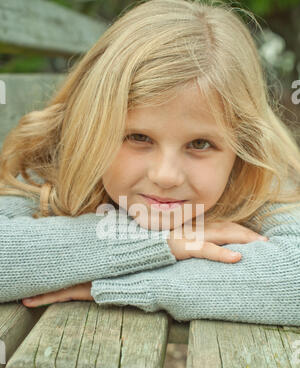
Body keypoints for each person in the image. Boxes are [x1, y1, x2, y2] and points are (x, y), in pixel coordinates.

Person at [0, 0, 299, 325]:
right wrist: (159, 241)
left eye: (200, 144)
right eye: (139, 138)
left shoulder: (256, 175)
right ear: (89, 128)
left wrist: (137, 282)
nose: (166, 175)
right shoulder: (54, 163)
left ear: (241, 150)